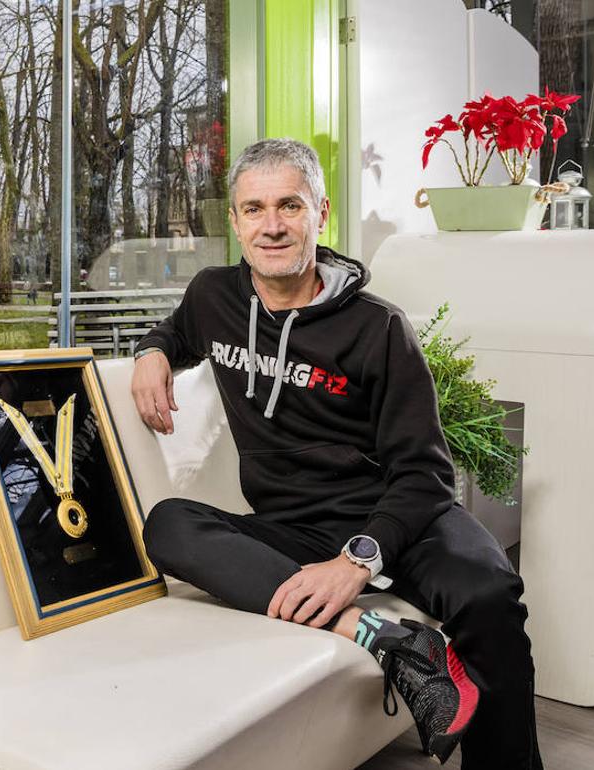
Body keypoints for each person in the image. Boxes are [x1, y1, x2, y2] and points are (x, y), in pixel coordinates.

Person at [131, 138, 539, 769]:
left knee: (489, 595)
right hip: (292, 525)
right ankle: (383, 638)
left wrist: (357, 561)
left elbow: (425, 473)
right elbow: (176, 330)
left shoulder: (379, 327)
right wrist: (151, 351)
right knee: (169, 525)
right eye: (254, 209)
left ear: (320, 214)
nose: (271, 225)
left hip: (401, 518)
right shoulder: (214, 297)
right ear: (235, 221)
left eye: (289, 205)